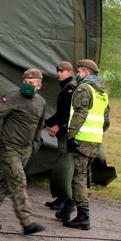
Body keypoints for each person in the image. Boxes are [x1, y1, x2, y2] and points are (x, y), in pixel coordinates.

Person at [0, 68, 46, 235]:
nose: (28, 86)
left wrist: (34, 145)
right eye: (25, 82)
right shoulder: (11, 98)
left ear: (39, 86)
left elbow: (39, 126)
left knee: (6, 184)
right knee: (18, 180)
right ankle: (27, 222)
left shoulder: (41, 102)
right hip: (9, 148)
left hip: (26, 149)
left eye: (32, 83)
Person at [57, 59, 110, 230]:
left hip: (81, 140)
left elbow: (80, 114)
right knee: (80, 176)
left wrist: (71, 137)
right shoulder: (101, 93)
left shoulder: (83, 89)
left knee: (77, 179)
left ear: (86, 73)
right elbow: (106, 122)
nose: (77, 75)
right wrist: (95, 135)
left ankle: (83, 217)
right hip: (94, 142)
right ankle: (67, 211)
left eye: (79, 71)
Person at [44, 61, 77, 210]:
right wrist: (48, 123)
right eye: (58, 70)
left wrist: (58, 125)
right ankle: (61, 198)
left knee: (65, 167)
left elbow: (69, 113)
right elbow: (60, 112)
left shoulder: (71, 89)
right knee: (61, 165)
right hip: (63, 132)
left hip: (67, 133)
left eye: (62, 71)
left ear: (69, 73)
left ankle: (65, 199)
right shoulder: (65, 88)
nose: (59, 73)